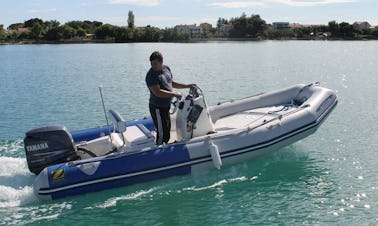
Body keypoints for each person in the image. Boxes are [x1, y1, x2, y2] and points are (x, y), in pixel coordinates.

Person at [145, 51, 195, 145]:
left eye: (155, 63)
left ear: (161, 62)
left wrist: (188, 86)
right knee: (163, 134)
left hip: (166, 107)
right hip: (157, 107)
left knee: (167, 131)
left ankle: (164, 148)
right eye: (151, 64)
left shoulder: (166, 68)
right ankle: (159, 151)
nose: (153, 66)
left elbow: (171, 82)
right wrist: (174, 94)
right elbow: (157, 92)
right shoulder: (151, 76)